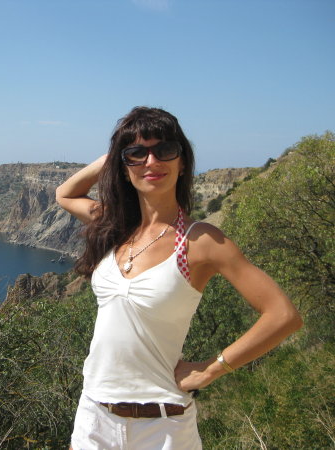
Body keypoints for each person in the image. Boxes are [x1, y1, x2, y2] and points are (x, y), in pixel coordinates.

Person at [56, 106, 302, 449]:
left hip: (163, 427)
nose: (152, 162)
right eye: (137, 153)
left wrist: (212, 368)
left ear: (182, 161)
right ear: (124, 167)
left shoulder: (200, 241)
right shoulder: (115, 226)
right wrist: (115, 155)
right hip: (95, 418)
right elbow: (65, 194)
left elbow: (283, 315)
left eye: (165, 150)